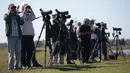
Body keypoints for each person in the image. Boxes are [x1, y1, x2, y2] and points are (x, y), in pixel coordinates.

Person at [19, 4, 42, 69]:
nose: (27, 8)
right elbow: (22, 17)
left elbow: (34, 17)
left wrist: (31, 9)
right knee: (23, 51)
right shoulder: (20, 14)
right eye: (26, 7)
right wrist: (24, 10)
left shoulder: (29, 15)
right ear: (23, 8)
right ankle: (23, 64)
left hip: (30, 34)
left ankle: (29, 64)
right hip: (24, 34)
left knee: (30, 50)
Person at [4, 3, 24, 70]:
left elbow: (22, 22)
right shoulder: (6, 15)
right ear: (9, 9)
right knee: (11, 53)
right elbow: (7, 19)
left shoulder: (17, 16)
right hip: (11, 37)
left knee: (18, 52)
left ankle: (17, 66)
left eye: (14, 7)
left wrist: (16, 15)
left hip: (18, 37)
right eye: (12, 7)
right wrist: (11, 12)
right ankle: (11, 67)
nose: (14, 9)